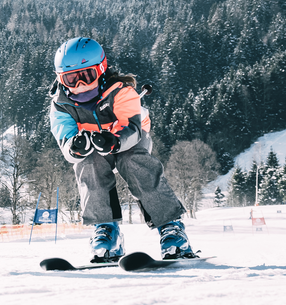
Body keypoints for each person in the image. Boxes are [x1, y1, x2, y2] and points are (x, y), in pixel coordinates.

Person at [48, 37, 195, 262]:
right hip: (93, 147)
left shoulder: (120, 91)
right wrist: (76, 148)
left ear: (101, 69)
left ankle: (171, 228)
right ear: (61, 79)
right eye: (71, 79)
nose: (80, 85)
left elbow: (133, 129)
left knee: (133, 162)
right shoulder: (61, 105)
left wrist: (115, 141)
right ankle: (106, 231)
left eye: (86, 76)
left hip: (130, 140)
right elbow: (65, 141)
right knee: (88, 163)